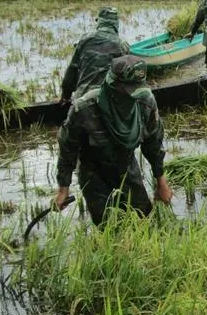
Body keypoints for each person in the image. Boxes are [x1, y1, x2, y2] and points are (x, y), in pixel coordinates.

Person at [54, 55, 173, 226]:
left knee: (143, 216)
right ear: (113, 85)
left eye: (137, 89)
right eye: (128, 90)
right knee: (106, 223)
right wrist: (63, 189)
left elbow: (153, 143)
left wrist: (161, 182)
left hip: (126, 165)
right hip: (93, 171)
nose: (133, 96)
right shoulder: (84, 109)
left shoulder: (145, 102)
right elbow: (67, 148)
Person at [60, 7, 129, 104]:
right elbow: (127, 80)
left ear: (99, 22)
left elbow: (72, 71)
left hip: (82, 100)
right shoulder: (122, 46)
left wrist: (66, 96)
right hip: (109, 102)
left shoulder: (85, 39)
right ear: (116, 25)